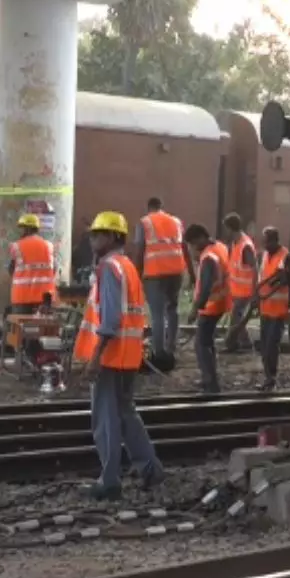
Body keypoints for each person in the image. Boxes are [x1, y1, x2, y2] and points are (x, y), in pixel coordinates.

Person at [72, 211, 164, 501]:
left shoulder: (109, 268)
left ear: (113, 237)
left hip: (111, 356)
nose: (93, 239)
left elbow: (110, 320)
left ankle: (109, 480)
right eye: (92, 234)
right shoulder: (127, 266)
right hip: (128, 355)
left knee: (106, 419)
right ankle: (150, 469)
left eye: (98, 234)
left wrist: (95, 356)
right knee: (126, 414)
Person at [130, 197, 187, 361]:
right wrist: (190, 271)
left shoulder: (145, 222)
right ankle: (171, 346)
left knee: (157, 314)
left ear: (148, 208)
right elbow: (183, 247)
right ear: (162, 207)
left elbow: (140, 248)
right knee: (172, 309)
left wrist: (136, 272)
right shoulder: (176, 221)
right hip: (176, 271)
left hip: (155, 273)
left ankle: (159, 352)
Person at [184, 224, 230, 394]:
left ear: (200, 238)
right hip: (221, 302)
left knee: (201, 344)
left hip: (211, 306)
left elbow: (205, 287)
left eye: (192, 243)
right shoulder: (220, 247)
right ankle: (209, 378)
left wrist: (195, 309)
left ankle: (210, 383)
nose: (193, 248)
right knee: (208, 342)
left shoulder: (208, 257)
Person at [255, 226, 290, 392]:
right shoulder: (265, 255)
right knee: (265, 345)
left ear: (274, 240)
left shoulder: (286, 257)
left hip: (278, 310)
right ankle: (267, 378)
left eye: (267, 242)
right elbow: (262, 278)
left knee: (272, 345)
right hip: (265, 308)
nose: (264, 245)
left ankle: (271, 378)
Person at [6, 213, 57, 313]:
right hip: (45, 299)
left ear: (27, 229)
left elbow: (11, 269)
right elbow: (54, 269)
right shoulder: (49, 246)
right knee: (43, 327)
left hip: (22, 297)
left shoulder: (17, 246)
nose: (21, 232)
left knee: (21, 327)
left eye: (22, 228)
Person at [222, 213, 258, 352]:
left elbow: (254, 269)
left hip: (246, 290)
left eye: (226, 228)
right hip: (237, 289)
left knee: (236, 315)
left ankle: (233, 344)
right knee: (237, 316)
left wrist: (255, 290)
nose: (225, 232)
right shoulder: (236, 243)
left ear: (231, 229)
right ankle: (243, 343)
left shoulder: (245, 245)